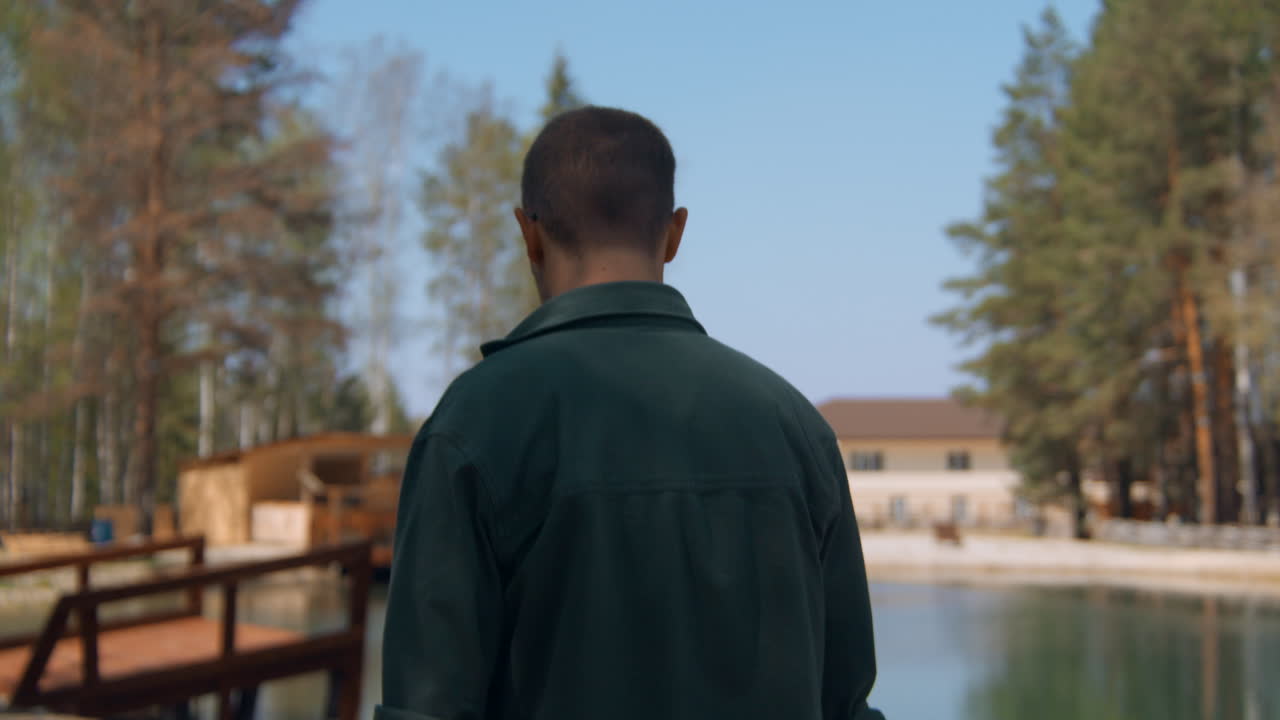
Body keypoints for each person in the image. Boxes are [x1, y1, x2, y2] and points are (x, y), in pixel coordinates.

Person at [377, 106, 884, 720]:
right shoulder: (796, 426)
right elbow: (847, 703)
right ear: (674, 233)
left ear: (528, 235)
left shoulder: (474, 425)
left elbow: (428, 705)